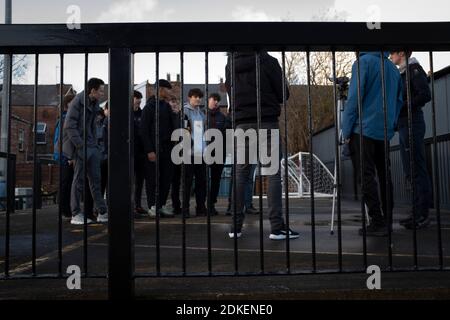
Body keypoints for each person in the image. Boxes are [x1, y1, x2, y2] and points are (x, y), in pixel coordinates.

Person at [225, 51, 299, 240]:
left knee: (241, 174)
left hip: (242, 123)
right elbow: (284, 93)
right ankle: (276, 227)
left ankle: (235, 227)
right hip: (266, 121)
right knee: (273, 174)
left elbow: (230, 93)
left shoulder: (231, 63)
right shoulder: (268, 60)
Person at [342, 52, 403, 237]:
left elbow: (354, 99)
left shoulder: (363, 62)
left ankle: (377, 221)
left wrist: (346, 130)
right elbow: (399, 100)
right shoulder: (393, 68)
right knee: (385, 175)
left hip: (363, 129)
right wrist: (391, 123)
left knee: (366, 176)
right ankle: (388, 220)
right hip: (383, 130)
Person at [390, 51, 432, 229]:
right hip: (404, 125)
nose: (390, 56)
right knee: (410, 170)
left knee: (416, 169)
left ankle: (422, 215)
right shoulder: (402, 73)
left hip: (412, 124)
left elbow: (425, 95)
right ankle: (416, 212)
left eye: (392, 53)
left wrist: (402, 105)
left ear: (401, 53)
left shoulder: (414, 69)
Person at [63, 78, 108, 225]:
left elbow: (92, 126)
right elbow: (69, 126)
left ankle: (102, 212)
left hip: (91, 146)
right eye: (100, 90)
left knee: (96, 180)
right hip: (81, 147)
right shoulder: (77, 102)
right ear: (93, 90)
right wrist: (80, 146)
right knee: (78, 181)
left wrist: (94, 144)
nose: (102, 93)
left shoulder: (94, 104)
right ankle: (75, 214)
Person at [140, 79, 179, 218]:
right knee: (153, 179)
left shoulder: (167, 107)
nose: (170, 92)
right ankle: (152, 206)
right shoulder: (149, 107)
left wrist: (175, 113)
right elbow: (143, 130)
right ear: (161, 90)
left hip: (168, 148)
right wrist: (149, 150)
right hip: (154, 149)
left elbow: (175, 127)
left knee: (166, 178)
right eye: (168, 90)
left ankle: (161, 205)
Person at [182, 88, 208, 218]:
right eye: (195, 96)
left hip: (200, 153)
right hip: (188, 152)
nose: (198, 99)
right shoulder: (184, 111)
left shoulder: (202, 113)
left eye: (200, 97)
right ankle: (185, 208)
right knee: (187, 182)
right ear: (189, 98)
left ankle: (200, 208)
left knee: (201, 182)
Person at [53, 91, 76, 219]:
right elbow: (61, 140)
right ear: (67, 105)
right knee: (66, 183)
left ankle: (67, 210)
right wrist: (68, 157)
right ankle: (64, 211)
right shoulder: (64, 119)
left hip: (66, 156)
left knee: (68, 183)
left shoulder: (68, 118)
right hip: (65, 157)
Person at [85, 102, 109, 220]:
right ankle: (96, 211)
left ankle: (98, 211)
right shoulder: (100, 126)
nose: (97, 118)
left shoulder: (101, 125)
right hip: (96, 159)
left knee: (97, 187)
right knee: (94, 187)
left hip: (100, 159)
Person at [207, 93, 227, 215]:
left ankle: (211, 204)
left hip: (219, 152)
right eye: (214, 99)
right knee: (203, 179)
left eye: (218, 100)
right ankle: (201, 205)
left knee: (216, 180)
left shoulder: (223, 117)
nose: (216, 102)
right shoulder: (202, 115)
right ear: (208, 100)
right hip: (204, 152)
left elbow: (225, 135)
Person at [132, 90, 147, 218]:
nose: (139, 101)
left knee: (139, 182)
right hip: (130, 153)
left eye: (140, 99)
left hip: (141, 153)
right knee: (130, 181)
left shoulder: (142, 114)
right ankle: (131, 206)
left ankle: (137, 205)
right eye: (137, 99)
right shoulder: (125, 114)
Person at [168, 95, 182, 215]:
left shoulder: (182, 117)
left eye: (176, 104)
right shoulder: (167, 116)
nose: (174, 106)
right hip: (169, 152)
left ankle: (176, 205)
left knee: (177, 182)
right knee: (170, 181)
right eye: (172, 104)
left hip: (181, 153)